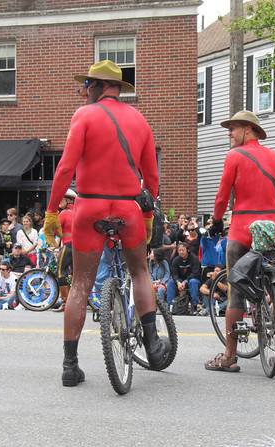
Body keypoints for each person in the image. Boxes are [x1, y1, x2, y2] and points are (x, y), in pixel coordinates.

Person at [43, 59, 169, 387]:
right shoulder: (140, 120)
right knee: (140, 272)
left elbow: (65, 169)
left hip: (89, 206)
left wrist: (52, 211)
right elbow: (151, 178)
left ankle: (70, 366)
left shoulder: (83, 115)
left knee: (81, 284)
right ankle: (154, 347)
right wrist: (147, 215)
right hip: (128, 209)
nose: (83, 90)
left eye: (87, 85)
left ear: (98, 87)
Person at [205, 110, 275, 372]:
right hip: (271, 231)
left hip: (242, 230)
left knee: (236, 291)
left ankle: (230, 356)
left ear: (249, 130)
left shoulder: (235, 156)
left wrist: (218, 221)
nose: (229, 133)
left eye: (234, 128)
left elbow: (222, 196)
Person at [53, 189, 77, 313]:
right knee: (75, 274)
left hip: (68, 245)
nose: (58, 202)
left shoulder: (64, 213)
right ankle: (76, 302)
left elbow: (55, 230)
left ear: (68, 200)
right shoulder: (78, 212)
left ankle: (66, 302)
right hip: (79, 247)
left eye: (61, 199)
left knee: (60, 272)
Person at [166, 242, 201, 315]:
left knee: (193, 282)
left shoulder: (194, 258)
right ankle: (170, 306)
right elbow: (174, 274)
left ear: (187, 250)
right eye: (179, 250)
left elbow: (195, 273)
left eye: (183, 250)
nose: (181, 252)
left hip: (192, 279)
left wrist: (185, 282)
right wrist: (178, 282)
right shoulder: (176, 260)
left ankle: (194, 307)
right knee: (171, 282)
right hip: (180, 281)